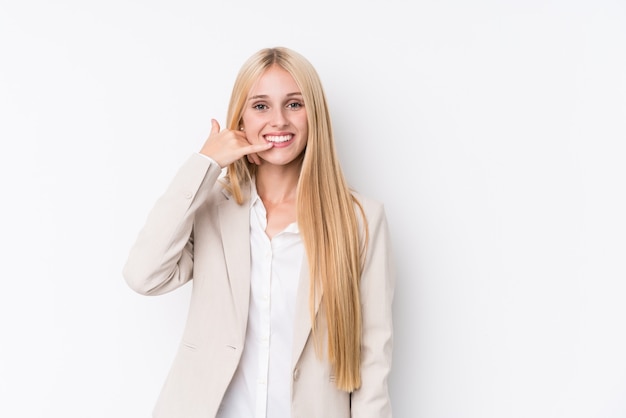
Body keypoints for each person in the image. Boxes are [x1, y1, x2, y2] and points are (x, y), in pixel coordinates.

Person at [122, 46, 395, 418]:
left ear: (315, 114)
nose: (279, 120)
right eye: (261, 106)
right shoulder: (211, 209)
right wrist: (205, 164)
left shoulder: (361, 219)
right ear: (242, 119)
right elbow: (143, 275)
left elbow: (372, 357)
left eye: (295, 104)